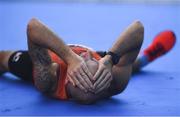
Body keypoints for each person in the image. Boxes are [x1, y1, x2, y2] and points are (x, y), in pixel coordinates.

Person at [0, 18, 176, 104]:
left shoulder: (49, 79)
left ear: (69, 77)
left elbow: (33, 27)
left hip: (52, 56)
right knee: (129, 64)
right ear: (105, 80)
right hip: (103, 64)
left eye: (86, 59)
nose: (86, 54)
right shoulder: (114, 83)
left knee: (2, 59)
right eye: (93, 59)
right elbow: (138, 28)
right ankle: (147, 57)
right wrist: (108, 60)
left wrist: (69, 57)